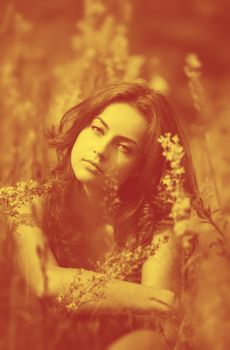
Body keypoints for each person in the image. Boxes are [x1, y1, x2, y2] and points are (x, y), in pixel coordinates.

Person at [11, 82, 198, 349]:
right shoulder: (27, 204)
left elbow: (163, 328)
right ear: (80, 129)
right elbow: (44, 281)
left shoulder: (156, 226)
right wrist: (149, 298)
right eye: (98, 130)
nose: (100, 150)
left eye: (124, 147)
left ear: (140, 168)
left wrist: (158, 303)